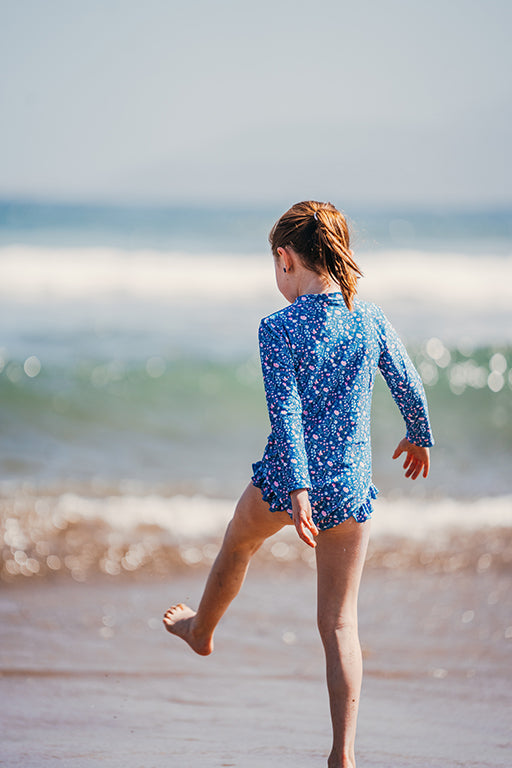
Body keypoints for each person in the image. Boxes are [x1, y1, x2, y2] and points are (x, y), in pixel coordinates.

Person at [163, 200, 434, 768]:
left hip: (289, 481)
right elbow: (409, 382)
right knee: (339, 622)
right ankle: (344, 754)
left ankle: (200, 629)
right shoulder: (371, 317)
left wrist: (299, 489)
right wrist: (419, 435)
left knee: (239, 541)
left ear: (286, 258)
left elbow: (284, 413)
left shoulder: (276, 327)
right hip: (351, 490)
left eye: (274, 262)